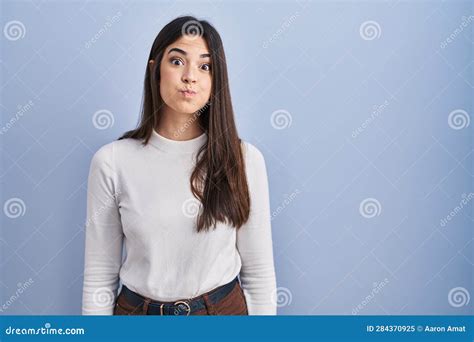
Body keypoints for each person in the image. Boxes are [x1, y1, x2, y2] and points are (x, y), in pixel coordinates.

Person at [81, 15, 277, 316]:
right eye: (177, 61)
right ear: (155, 69)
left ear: (216, 80)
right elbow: (99, 278)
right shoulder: (111, 162)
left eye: (205, 66)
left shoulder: (245, 160)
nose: (190, 76)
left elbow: (259, 275)